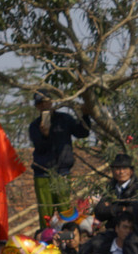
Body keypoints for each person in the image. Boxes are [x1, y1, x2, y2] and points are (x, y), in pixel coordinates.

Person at [29, 92, 95, 221]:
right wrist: (45, 135)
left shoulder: (65, 119)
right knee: (45, 212)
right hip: (42, 174)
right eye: (40, 103)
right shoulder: (35, 126)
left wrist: (85, 115)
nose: (44, 105)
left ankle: (67, 232)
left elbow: (82, 133)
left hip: (62, 172)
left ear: (51, 102)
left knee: (65, 209)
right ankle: (46, 233)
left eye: (46, 102)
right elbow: (40, 147)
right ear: (37, 107)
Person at [93, 153, 138, 223]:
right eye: (117, 168)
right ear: (112, 171)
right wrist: (120, 209)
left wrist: (110, 207)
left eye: (125, 168)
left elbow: (136, 210)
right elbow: (99, 212)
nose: (121, 172)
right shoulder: (110, 188)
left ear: (131, 171)